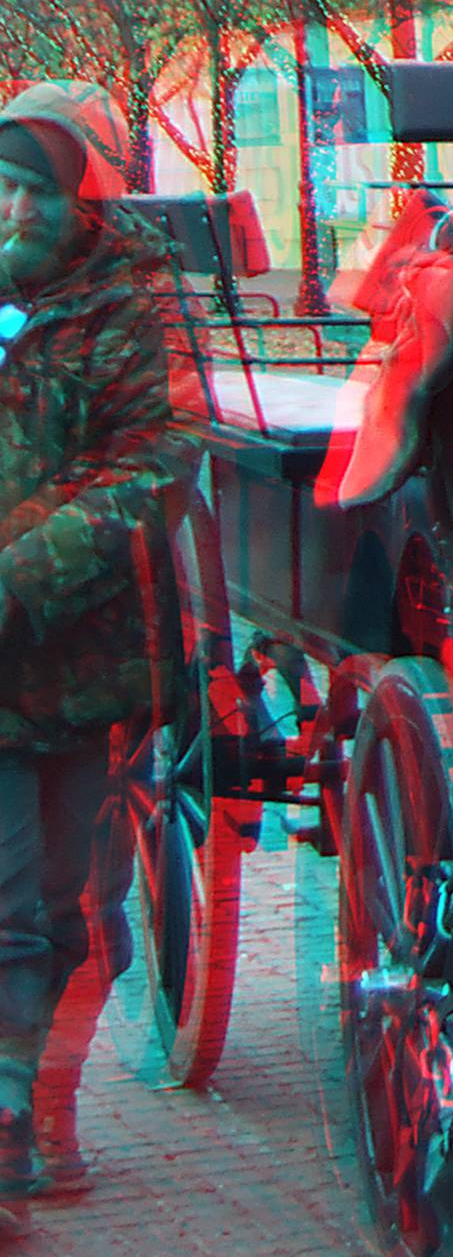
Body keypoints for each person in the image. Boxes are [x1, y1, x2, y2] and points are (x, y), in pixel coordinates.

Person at [0, 81, 192, 1227]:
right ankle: (12, 1116)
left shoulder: (127, 301)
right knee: (12, 906)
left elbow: (156, 459)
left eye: (31, 188)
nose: (8, 208)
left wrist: (16, 572)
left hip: (75, 661)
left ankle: (29, 1095)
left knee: (66, 909)